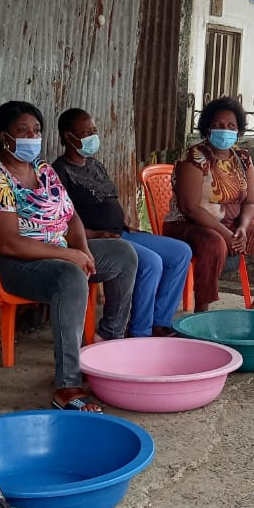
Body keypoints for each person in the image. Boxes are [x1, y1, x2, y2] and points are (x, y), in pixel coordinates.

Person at [0, 101, 138, 412]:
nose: (32, 136)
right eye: (22, 131)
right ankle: (67, 387)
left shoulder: (43, 170)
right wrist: (70, 256)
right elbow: (9, 244)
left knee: (123, 253)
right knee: (69, 277)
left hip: (59, 251)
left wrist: (81, 248)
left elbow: (70, 216)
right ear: (4, 137)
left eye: (36, 130)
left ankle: (105, 342)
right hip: (13, 266)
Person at [50, 107, 191, 337]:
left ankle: (160, 321)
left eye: (93, 130)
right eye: (86, 132)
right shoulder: (59, 172)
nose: (92, 137)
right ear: (69, 137)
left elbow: (107, 200)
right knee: (152, 262)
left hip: (121, 232)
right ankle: (140, 331)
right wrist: (94, 234)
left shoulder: (94, 165)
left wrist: (124, 223)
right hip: (97, 240)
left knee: (180, 252)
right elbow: (60, 220)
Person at [161, 97, 254, 312]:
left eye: (231, 126)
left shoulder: (243, 158)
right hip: (188, 225)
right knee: (214, 243)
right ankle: (202, 308)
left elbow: (251, 202)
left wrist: (242, 229)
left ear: (239, 130)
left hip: (232, 225)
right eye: (217, 125)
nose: (224, 130)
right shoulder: (193, 157)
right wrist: (226, 234)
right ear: (207, 128)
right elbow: (190, 207)